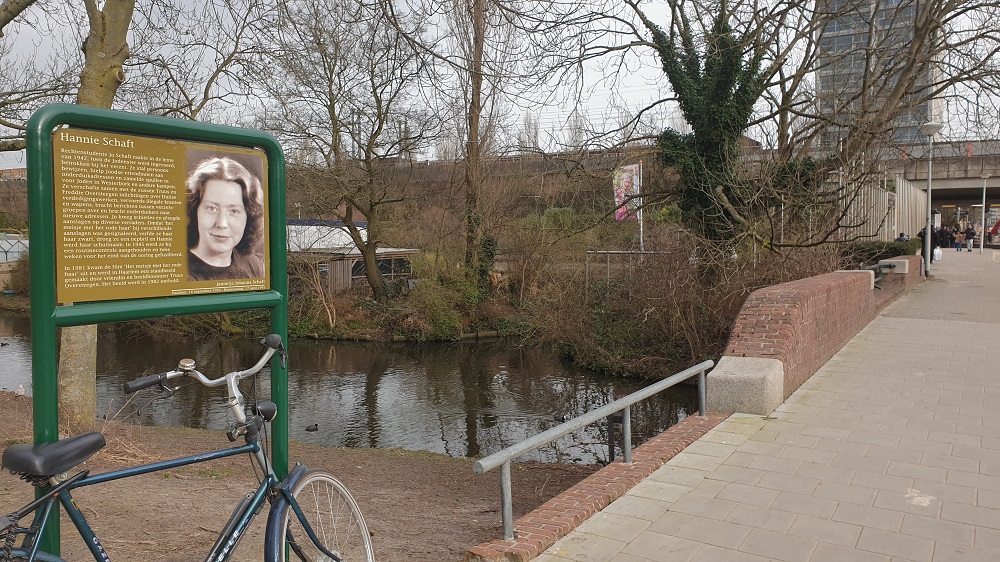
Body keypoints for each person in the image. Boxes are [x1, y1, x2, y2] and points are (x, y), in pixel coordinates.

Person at [186, 156, 265, 281]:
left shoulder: (255, 265)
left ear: (249, 216)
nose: (221, 223)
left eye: (233, 211)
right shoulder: (179, 274)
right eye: (212, 208)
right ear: (194, 211)